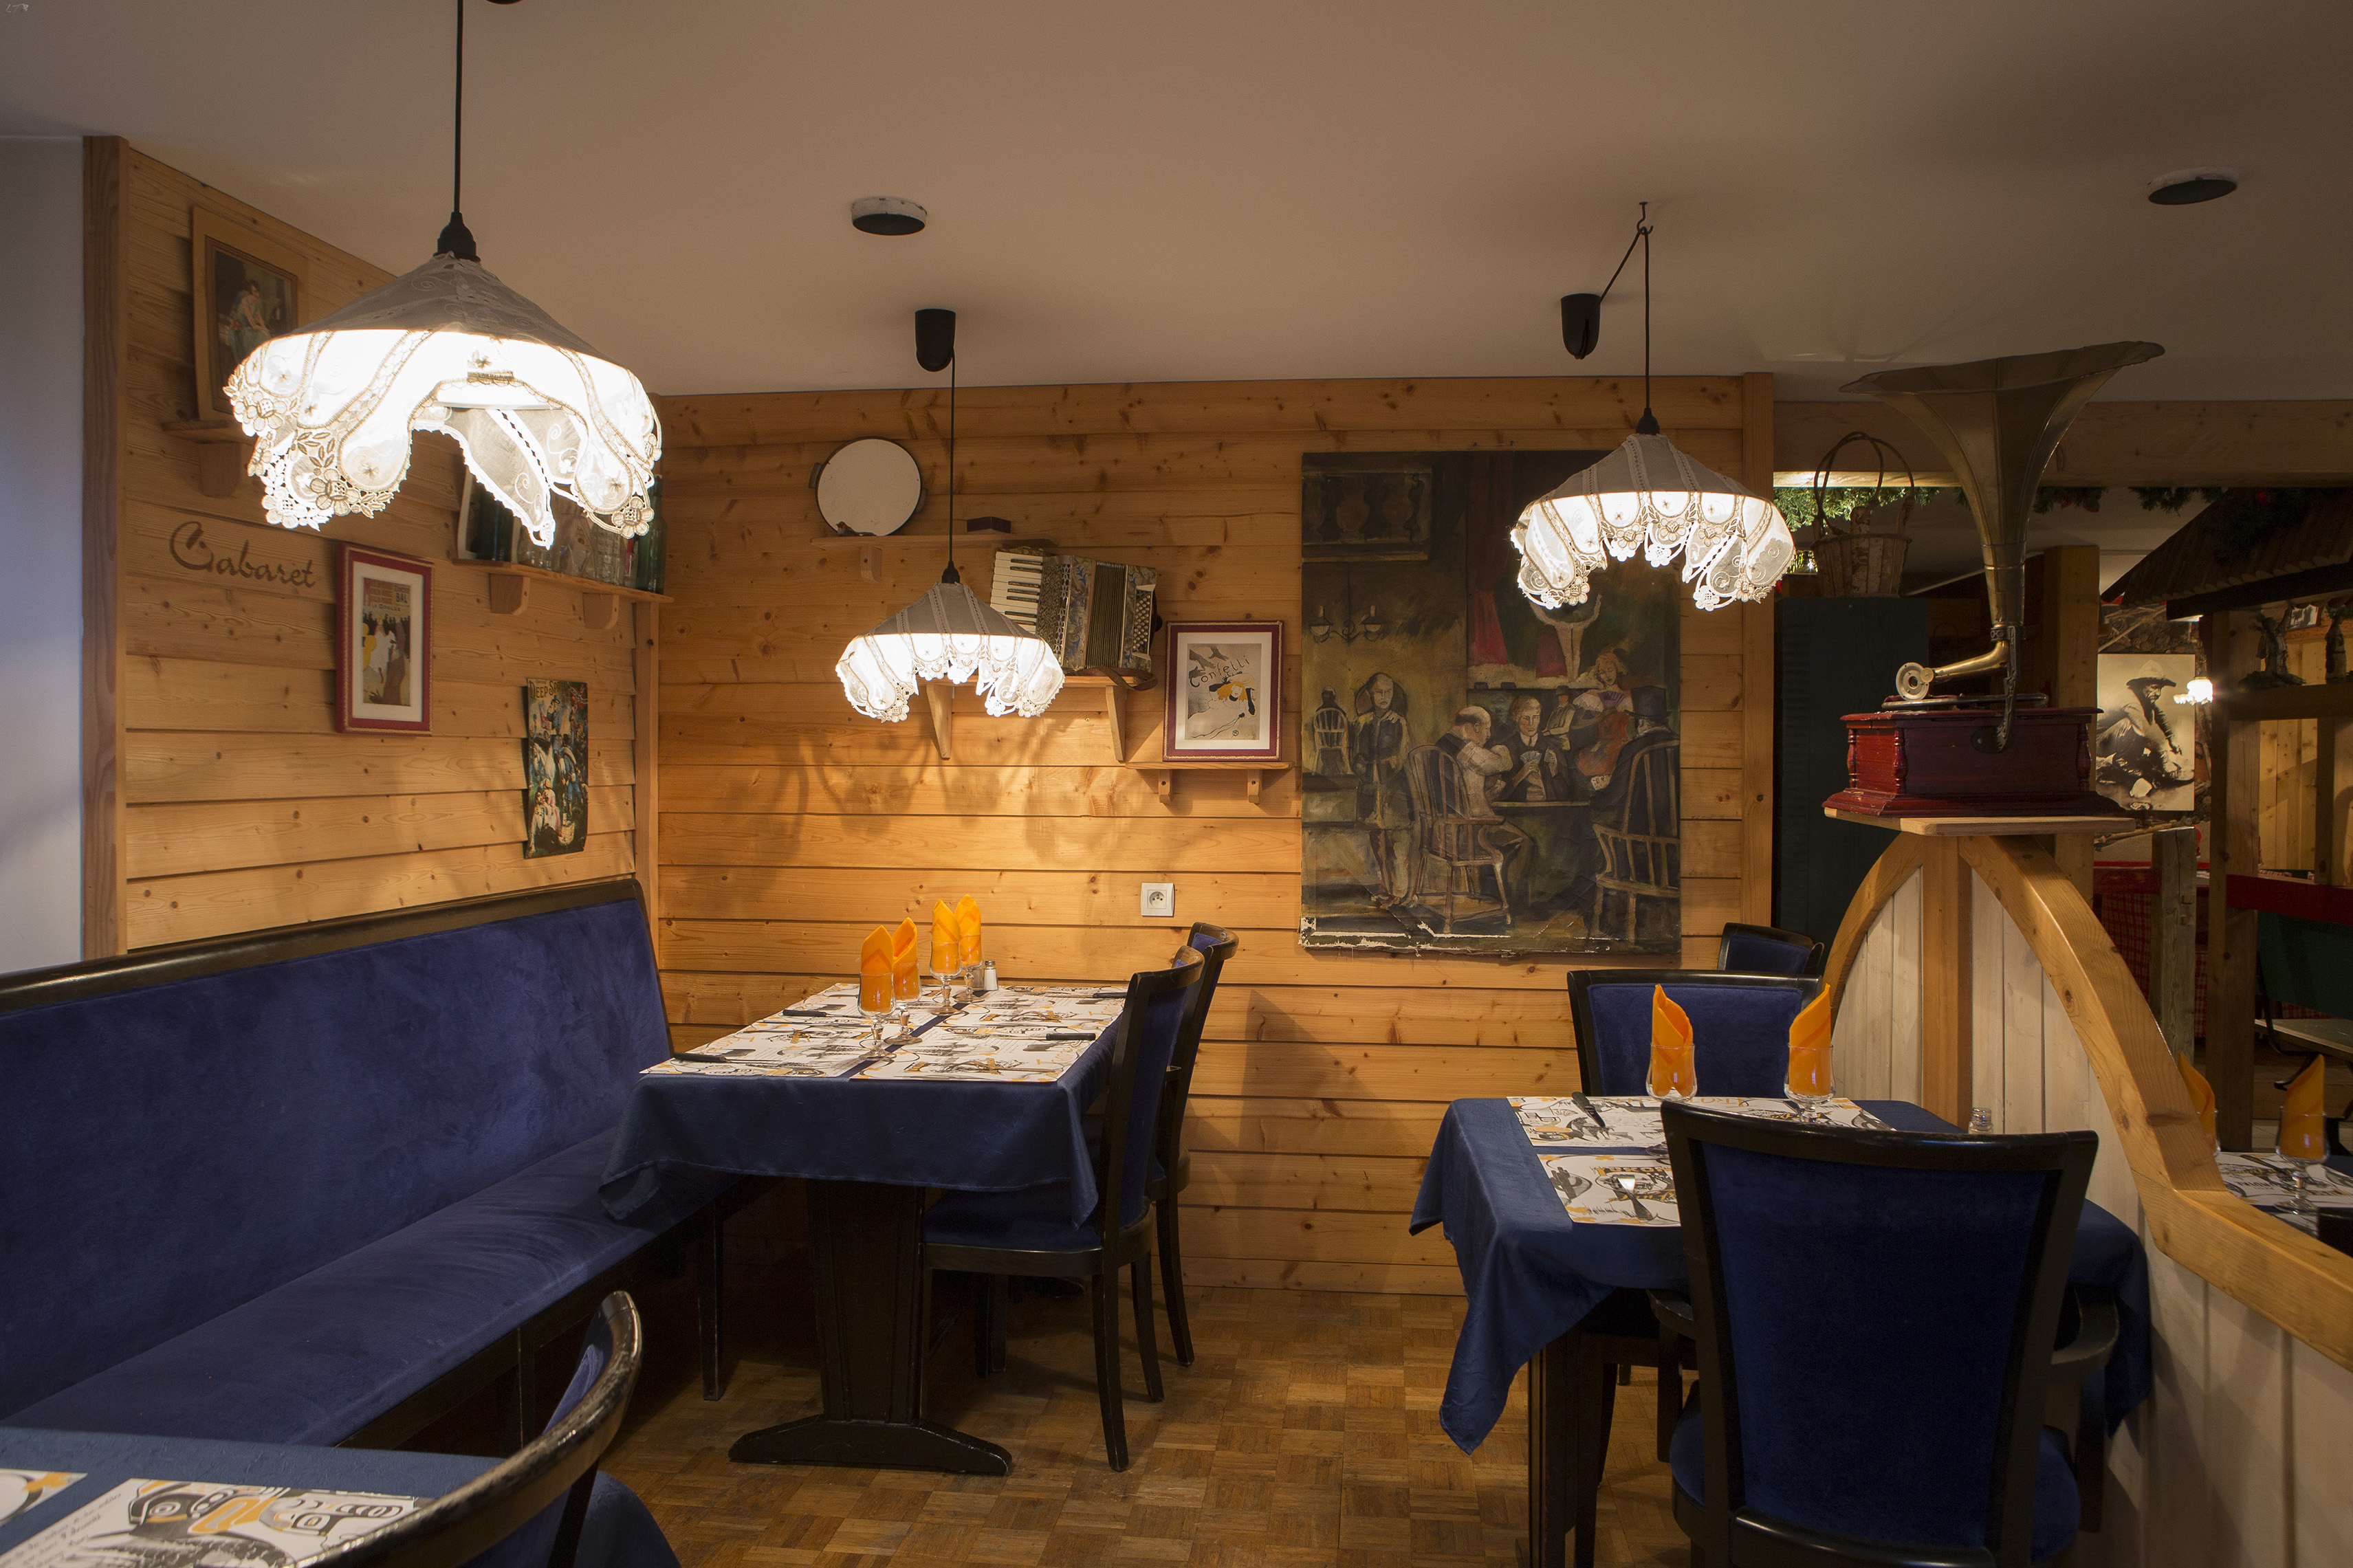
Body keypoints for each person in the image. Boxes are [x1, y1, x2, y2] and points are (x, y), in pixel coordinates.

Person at [1435, 705, 1533, 912]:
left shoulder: (1440, 745)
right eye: (1487, 729)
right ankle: (1513, 905)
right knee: (1524, 842)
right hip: (1467, 831)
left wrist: (1489, 792)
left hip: (1443, 828)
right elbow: (1501, 763)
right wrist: (1502, 750)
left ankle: (1487, 895)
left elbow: (1463, 793)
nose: (1488, 736)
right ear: (1476, 727)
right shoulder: (1462, 747)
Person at [1350, 674, 1412, 908]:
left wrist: (1380, 772)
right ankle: (1385, 888)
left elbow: (1400, 756)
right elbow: (1355, 758)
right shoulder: (1361, 722)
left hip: (1395, 792)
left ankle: (1401, 892)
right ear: (1371, 694)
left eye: (1388, 692)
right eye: (1379, 692)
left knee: (1398, 843)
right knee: (1378, 843)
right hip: (1369, 791)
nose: (1384, 697)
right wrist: (1369, 774)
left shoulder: (1399, 723)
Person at [2096, 663, 2193, 804]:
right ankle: (2123, 761)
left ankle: (2127, 759)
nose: (2158, 693)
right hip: (2100, 743)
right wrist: (2164, 759)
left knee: (2139, 728)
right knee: (2131, 724)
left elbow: (2160, 715)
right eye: (2154, 687)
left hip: (2113, 739)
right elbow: (2145, 731)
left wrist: (2171, 737)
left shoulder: (2143, 697)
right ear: (2142, 685)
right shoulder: (2130, 701)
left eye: (2160, 688)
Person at [1493, 692, 1573, 804]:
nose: (1531, 723)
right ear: (1516, 718)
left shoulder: (1552, 749)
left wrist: (1554, 773)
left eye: (1535, 717)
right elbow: (1496, 795)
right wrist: (1520, 780)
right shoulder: (1505, 749)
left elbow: (1566, 795)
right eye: (1526, 718)